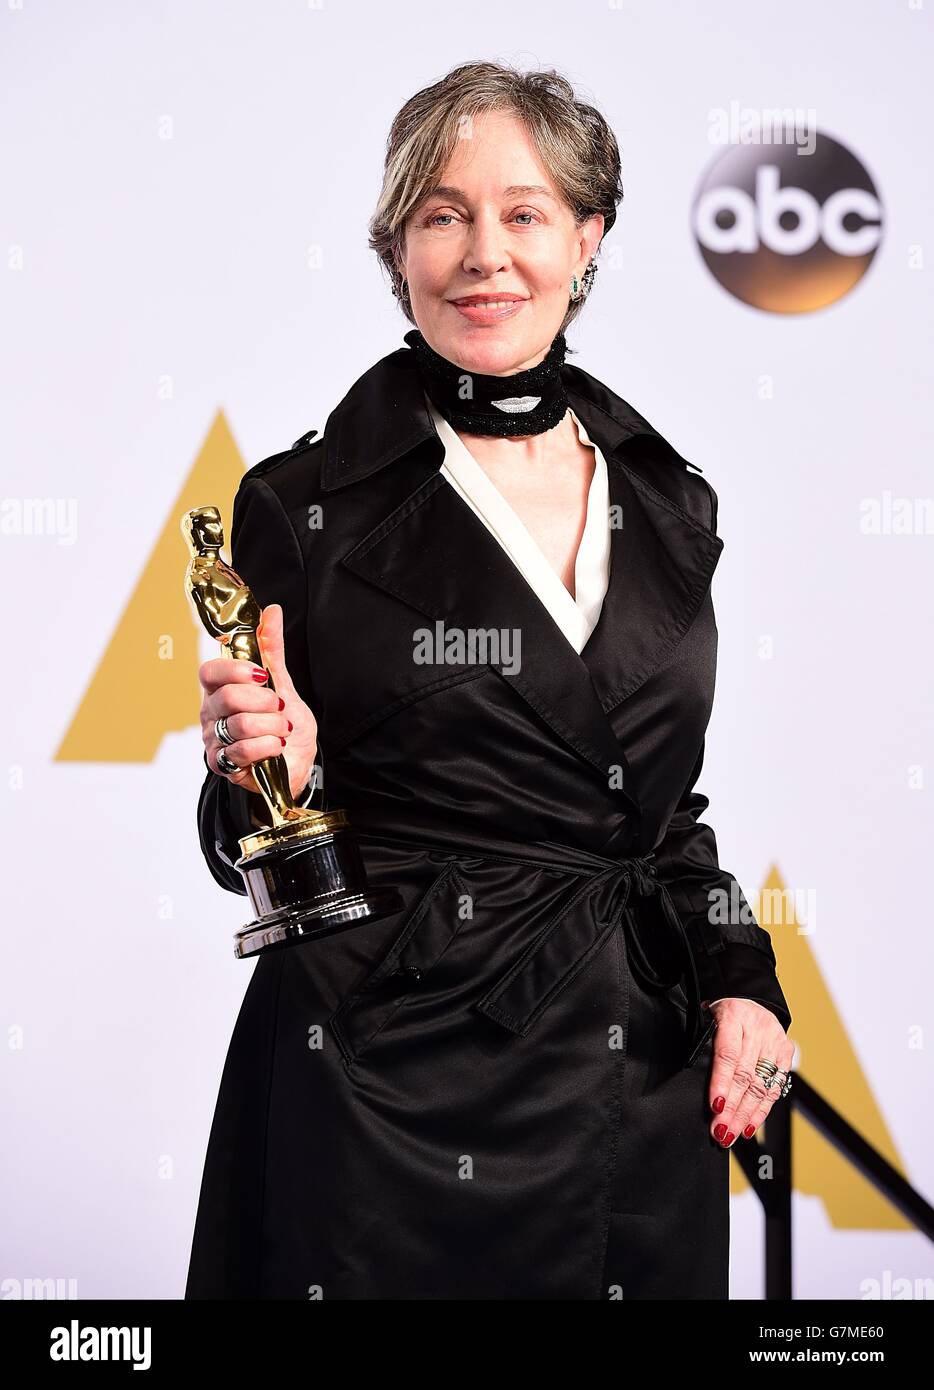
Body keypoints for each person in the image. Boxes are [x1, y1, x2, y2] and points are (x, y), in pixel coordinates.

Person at [185, 61, 794, 1301]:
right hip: (382, 1072)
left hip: (635, 1071)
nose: (484, 255)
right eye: (441, 215)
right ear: (398, 250)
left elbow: (654, 812)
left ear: (587, 239)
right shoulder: (300, 507)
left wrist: (741, 978)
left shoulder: (671, 499)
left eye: (523, 214)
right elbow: (250, 827)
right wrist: (265, 779)